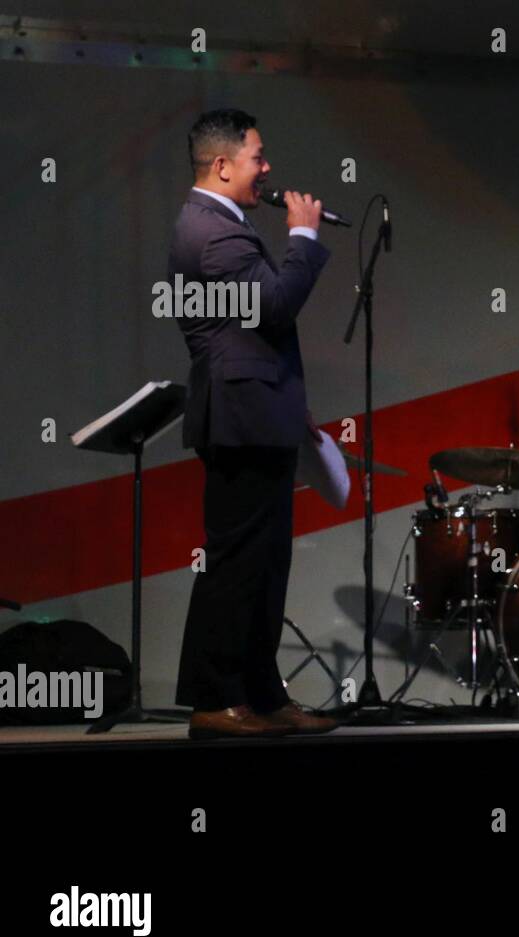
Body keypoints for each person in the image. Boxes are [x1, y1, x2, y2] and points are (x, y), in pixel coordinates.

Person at [170, 108, 337, 738]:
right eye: (258, 158)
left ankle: (263, 695)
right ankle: (215, 698)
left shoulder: (219, 225)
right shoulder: (213, 231)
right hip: (238, 419)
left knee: (265, 564)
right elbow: (272, 306)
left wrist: (291, 403)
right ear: (222, 165)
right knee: (238, 562)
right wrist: (303, 237)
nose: (267, 170)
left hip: (259, 412)